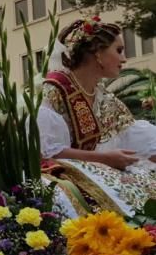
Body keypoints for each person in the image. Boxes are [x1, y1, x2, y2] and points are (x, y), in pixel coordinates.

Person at [39, 18, 156, 215]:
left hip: (96, 170)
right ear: (97, 52)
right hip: (62, 178)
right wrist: (103, 159)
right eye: (118, 50)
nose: (124, 59)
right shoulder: (54, 90)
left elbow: (136, 137)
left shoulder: (105, 97)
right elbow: (47, 152)